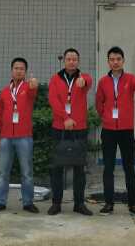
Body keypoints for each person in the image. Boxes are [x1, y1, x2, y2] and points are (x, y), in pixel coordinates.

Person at [94, 46, 135, 217]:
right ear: (108, 62)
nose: (115, 62)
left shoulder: (130, 79)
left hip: (126, 131)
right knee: (108, 168)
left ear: (123, 61)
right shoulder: (103, 81)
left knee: (129, 168)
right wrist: (106, 117)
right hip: (109, 131)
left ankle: (133, 204)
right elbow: (99, 103)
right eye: (112, 59)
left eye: (118, 59)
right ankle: (108, 204)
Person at [47, 48, 94, 216]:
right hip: (59, 128)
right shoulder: (55, 79)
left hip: (79, 129)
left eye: (75, 59)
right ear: (64, 61)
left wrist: (84, 81)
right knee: (57, 168)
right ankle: (56, 203)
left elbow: (88, 81)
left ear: (78, 61)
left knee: (79, 168)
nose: (72, 62)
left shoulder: (83, 78)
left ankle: (79, 204)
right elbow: (53, 100)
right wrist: (66, 117)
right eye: (69, 59)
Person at [0, 57, 40, 213]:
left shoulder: (28, 88)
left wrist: (34, 85)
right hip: (5, 137)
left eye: (22, 69)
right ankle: (0, 201)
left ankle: (28, 202)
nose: (19, 71)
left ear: (25, 72)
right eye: (16, 68)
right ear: (11, 71)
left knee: (26, 173)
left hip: (24, 137)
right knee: (3, 173)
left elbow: (33, 91)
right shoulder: (5, 91)